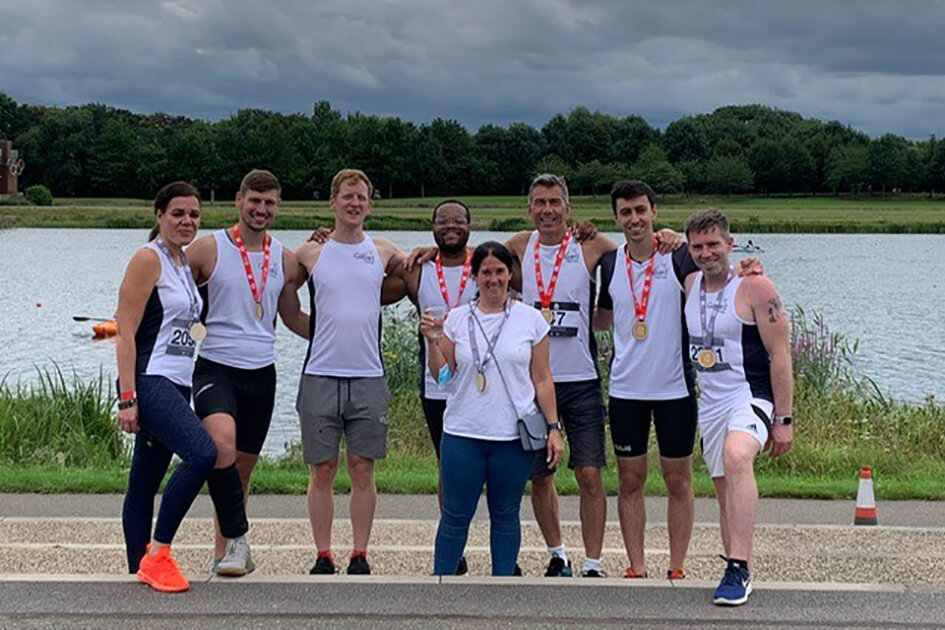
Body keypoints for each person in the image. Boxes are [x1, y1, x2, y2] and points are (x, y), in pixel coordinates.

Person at [504, 173, 681, 578]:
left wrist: (670, 235)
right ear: (530, 208)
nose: (547, 210)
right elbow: (474, 262)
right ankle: (557, 554)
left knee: (588, 473)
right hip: (533, 382)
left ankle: (593, 562)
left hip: (581, 379)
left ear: (568, 208)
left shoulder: (593, 244)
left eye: (555, 203)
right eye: (539, 203)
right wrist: (427, 250)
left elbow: (640, 247)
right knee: (539, 475)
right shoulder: (518, 245)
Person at [186, 169, 309, 576]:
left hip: (261, 373)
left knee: (240, 469)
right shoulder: (208, 249)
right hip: (216, 366)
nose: (261, 209)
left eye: (269, 202)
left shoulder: (286, 259)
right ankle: (238, 541)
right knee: (220, 446)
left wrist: (344, 331)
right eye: (254, 201)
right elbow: (166, 281)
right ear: (238, 201)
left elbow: (293, 317)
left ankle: (225, 552)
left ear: (278, 207)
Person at [421, 241, 564, 576]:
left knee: (505, 512)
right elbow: (444, 375)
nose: (494, 279)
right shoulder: (456, 319)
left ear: (510, 274)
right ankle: (441, 582)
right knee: (455, 514)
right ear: (475, 276)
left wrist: (554, 428)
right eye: (486, 272)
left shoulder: (530, 320)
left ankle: (503, 587)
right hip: (463, 432)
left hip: (511, 435)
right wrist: (432, 340)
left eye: (500, 271)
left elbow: (542, 379)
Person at [294, 168, 406, 576]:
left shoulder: (382, 250)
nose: (354, 203)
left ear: (370, 204)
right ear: (333, 202)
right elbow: (281, 291)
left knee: (362, 466)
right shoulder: (311, 251)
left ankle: (360, 552)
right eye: (347, 197)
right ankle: (323, 553)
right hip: (320, 373)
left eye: (361, 197)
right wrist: (310, 328)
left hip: (368, 375)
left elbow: (413, 274)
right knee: (322, 469)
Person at [682, 209, 793, 606]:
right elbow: (657, 245)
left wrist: (784, 419)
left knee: (737, 454)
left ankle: (739, 566)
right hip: (710, 404)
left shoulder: (755, 286)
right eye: (697, 246)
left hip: (750, 395)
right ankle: (735, 567)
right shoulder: (690, 283)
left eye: (714, 244)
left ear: (731, 244)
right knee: (724, 490)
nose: (706, 252)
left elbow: (781, 354)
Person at [116, 182, 217, 593]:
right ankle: (158, 553)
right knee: (202, 453)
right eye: (178, 213)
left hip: (177, 382)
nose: (187, 221)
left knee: (143, 482)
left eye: (194, 214)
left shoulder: (181, 262)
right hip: (151, 379)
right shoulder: (148, 259)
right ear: (159, 215)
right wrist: (127, 399)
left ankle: (137, 567)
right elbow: (124, 331)